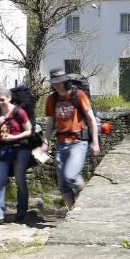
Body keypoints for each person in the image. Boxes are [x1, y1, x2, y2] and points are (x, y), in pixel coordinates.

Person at [45, 69, 100, 210]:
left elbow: (91, 119)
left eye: (59, 82)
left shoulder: (78, 95)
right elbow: (51, 122)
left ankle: (86, 196)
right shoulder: (52, 99)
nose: (57, 85)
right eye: (54, 83)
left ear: (65, 81)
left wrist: (95, 142)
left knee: (70, 175)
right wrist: (45, 140)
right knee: (63, 184)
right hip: (61, 143)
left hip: (78, 142)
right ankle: (73, 213)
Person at [0, 88, 33, 224]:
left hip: (21, 149)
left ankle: (22, 211)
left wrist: (14, 137)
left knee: (19, 179)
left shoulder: (19, 112)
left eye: (2, 100)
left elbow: (29, 131)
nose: (0, 103)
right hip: (5, 149)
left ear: (9, 98)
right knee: (0, 179)